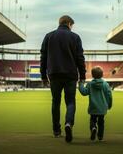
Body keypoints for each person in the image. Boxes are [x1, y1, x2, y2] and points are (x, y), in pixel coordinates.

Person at [40, 15, 86, 143]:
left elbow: (43, 57)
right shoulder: (75, 37)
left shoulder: (48, 36)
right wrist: (82, 76)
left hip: (54, 74)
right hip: (70, 74)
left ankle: (56, 130)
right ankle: (68, 123)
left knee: (56, 102)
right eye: (72, 25)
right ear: (69, 24)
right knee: (70, 101)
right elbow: (80, 58)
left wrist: (43, 75)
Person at [78, 66, 112, 141]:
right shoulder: (105, 84)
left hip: (93, 107)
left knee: (93, 120)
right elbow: (109, 95)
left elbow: (84, 92)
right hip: (102, 108)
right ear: (102, 74)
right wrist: (109, 105)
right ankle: (100, 137)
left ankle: (93, 128)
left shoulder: (90, 84)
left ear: (92, 75)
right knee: (101, 122)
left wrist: (80, 84)